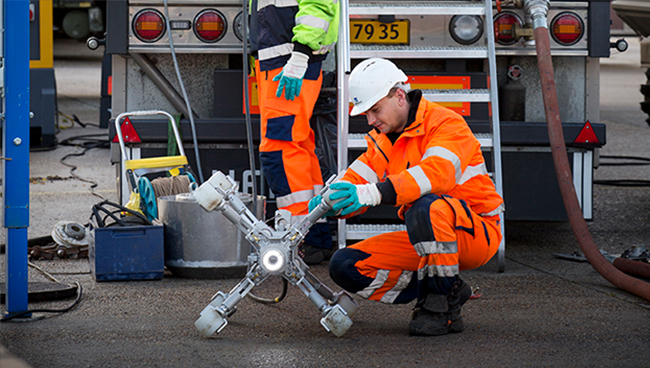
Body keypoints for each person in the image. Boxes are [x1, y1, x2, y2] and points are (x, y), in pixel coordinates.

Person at [309, 58, 505, 336]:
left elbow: (436, 176)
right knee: (345, 266)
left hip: (477, 232)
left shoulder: (446, 123)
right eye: (366, 114)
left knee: (426, 205)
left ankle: (437, 309)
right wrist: (329, 202)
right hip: (430, 234)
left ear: (399, 95)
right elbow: (356, 179)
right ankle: (449, 288)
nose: (371, 120)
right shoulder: (383, 138)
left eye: (375, 110)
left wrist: (372, 193)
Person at [248, 0, 339, 264]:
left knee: (280, 149)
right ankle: (315, 235)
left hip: (289, 61)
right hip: (285, 58)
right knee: (297, 144)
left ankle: (298, 237)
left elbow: (319, 5)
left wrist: (299, 56)